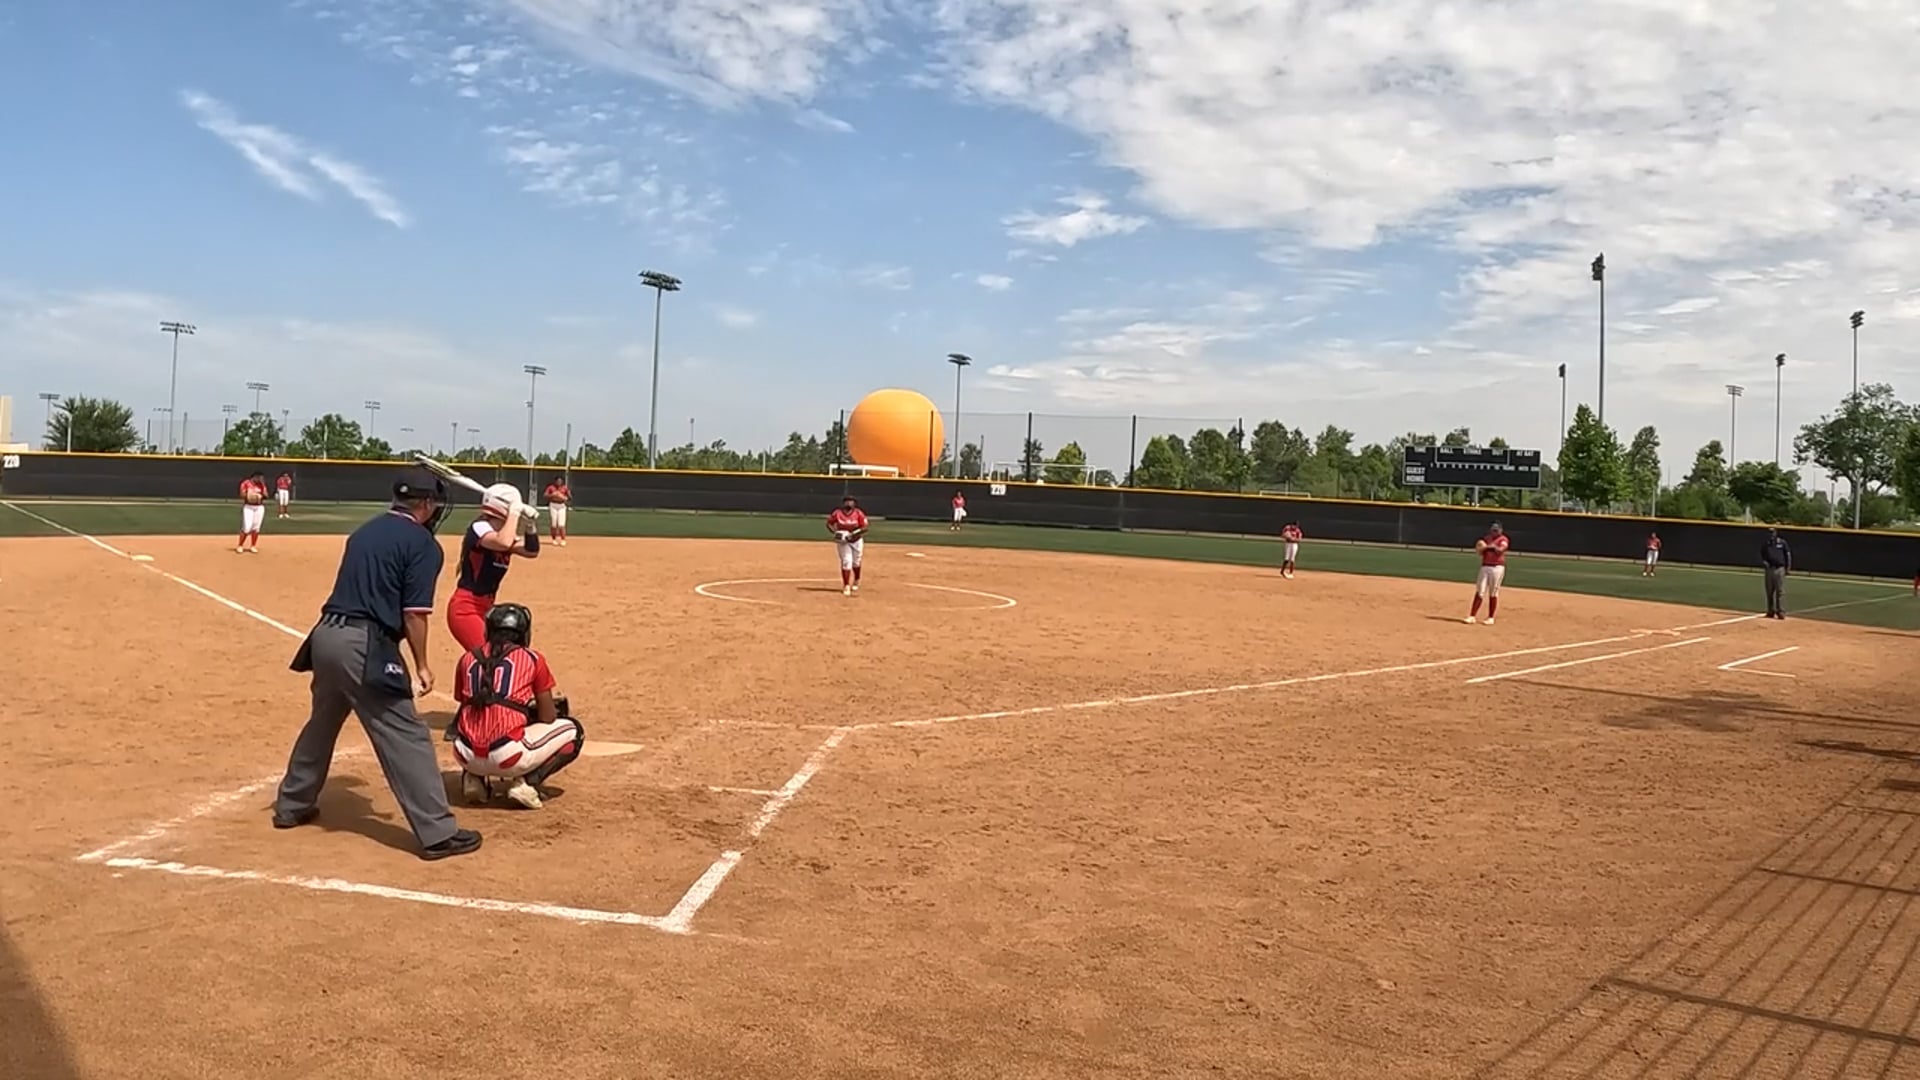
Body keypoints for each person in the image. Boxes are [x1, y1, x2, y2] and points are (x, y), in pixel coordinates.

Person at [272, 466, 481, 861]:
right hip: (363, 644)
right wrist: (421, 665)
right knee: (406, 733)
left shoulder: (363, 532)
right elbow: (414, 614)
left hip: (325, 637)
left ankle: (292, 804)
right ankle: (437, 832)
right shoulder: (423, 544)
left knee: (322, 723)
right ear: (425, 504)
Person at [450, 603, 584, 810]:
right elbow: (548, 717)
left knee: (477, 717)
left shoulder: (467, 658)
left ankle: (473, 778)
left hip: (465, 754)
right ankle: (526, 783)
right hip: (508, 757)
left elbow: (463, 703)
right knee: (574, 730)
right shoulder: (532, 658)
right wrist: (528, 713)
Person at [447, 483, 540, 653]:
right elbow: (503, 542)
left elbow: (531, 551)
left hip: (487, 608)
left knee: (499, 657)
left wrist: (530, 526)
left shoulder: (503, 534)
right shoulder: (479, 527)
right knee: (489, 656)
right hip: (466, 608)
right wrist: (514, 512)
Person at [1465, 522, 1509, 625]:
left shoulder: (1503, 539)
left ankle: (1490, 617)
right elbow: (1480, 552)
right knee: (1480, 590)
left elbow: (1500, 550)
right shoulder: (1487, 538)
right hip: (1485, 566)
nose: (1494, 532)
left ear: (1501, 530)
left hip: (1497, 567)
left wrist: (1489, 547)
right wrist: (1483, 547)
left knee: (1493, 592)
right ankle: (1472, 616)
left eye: (1496, 530)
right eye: (1493, 530)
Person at [828, 494, 869, 596]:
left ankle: (856, 579)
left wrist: (853, 534)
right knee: (846, 561)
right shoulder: (837, 513)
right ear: (843, 503)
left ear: (854, 503)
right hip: (844, 542)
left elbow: (865, 527)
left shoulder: (858, 513)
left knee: (856, 562)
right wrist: (835, 532)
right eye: (847, 501)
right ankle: (846, 585)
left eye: (851, 501)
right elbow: (829, 523)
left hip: (856, 540)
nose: (849, 503)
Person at [1761, 527, 1791, 619]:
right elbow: (1762, 554)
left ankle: (1780, 611)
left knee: (1780, 591)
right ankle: (1770, 611)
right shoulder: (1766, 544)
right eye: (1769, 533)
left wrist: (1788, 568)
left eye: (1772, 533)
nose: (1771, 535)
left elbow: (1788, 555)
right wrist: (1764, 561)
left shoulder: (1782, 543)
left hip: (1780, 569)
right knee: (1769, 591)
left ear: (1776, 533)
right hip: (1769, 569)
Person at [236, 470, 268, 553]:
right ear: (254, 477)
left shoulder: (261, 484)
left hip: (259, 507)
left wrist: (262, 491)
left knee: (256, 528)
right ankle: (240, 545)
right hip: (248, 507)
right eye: (259, 477)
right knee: (247, 527)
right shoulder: (246, 483)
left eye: (261, 478)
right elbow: (241, 495)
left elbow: (266, 496)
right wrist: (249, 494)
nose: (260, 479)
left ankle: (253, 546)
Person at [543, 475, 572, 547]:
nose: (559, 482)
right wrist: (552, 495)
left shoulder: (564, 487)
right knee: (553, 524)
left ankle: (563, 539)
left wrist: (564, 497)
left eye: (560, 481)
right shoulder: (551, 487)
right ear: (555, 481)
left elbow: (570, 497)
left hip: (561, 506)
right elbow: (545, 495)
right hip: (553, 505)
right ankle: (554, 539)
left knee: (561, 524)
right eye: (557, 481)